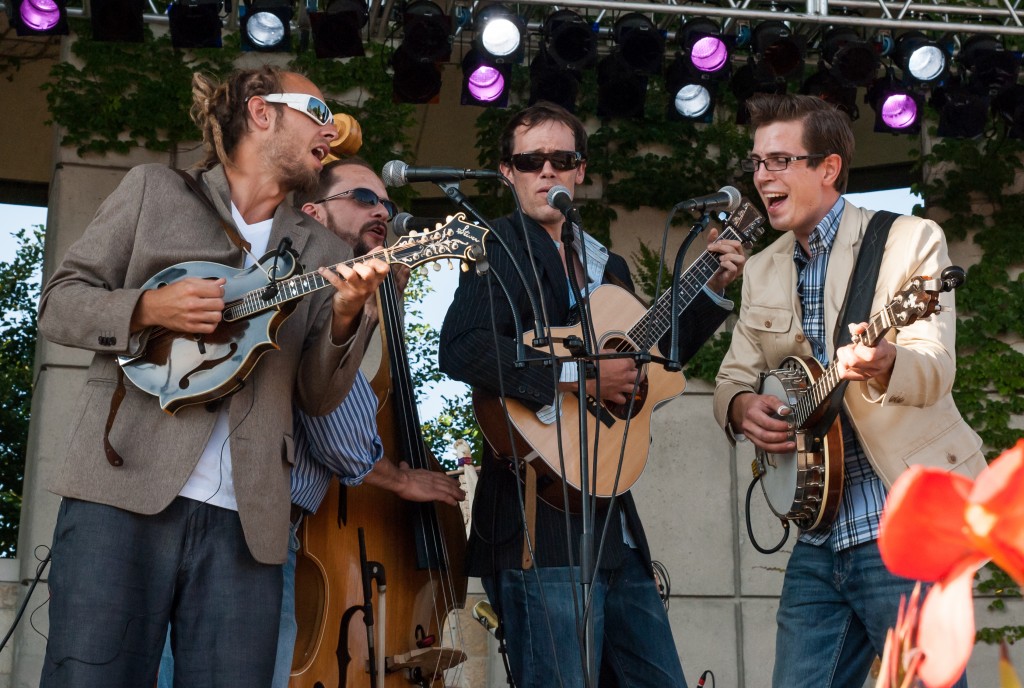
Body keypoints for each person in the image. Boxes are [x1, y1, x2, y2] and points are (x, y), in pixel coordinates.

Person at [37, 66, 390, 688]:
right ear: (261, 112)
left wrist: (345, 317)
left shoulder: (325, 253)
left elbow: (318, 396)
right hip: (120, 493)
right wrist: (147, 309)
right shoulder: (153, 190)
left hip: (248, 519)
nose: (331, 131)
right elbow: (60, 304)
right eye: (317, 112)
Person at [438, 102, 746, 688]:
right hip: (537, 521)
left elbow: (657, 361)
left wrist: (708, 290)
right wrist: (580, 377)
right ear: (507, 172)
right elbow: (463, 347)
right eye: (530, 161)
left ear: (580, 170)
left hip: (613, 527)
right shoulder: (497, 246)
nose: (546, 171)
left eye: (561, 159)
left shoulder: (609, 264)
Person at [157, 156, 465, 688]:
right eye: (363, 199)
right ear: (313, 213)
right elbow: (337, 433)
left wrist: (377, 311)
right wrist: (399, 477)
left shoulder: (322, 291)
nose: (382, 212)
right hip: (248, 526)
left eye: (387, 203)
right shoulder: (300, 287)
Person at [713, 93, 986, 688]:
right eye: (758, 162)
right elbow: (733, 376)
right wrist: (739, 407)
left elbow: (936, 368)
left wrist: (886, 362)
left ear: (828, 167)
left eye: (781, 160)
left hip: (900, 522)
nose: (763, 176)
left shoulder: (909, 240)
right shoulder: (761, 269)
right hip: (819, 532)